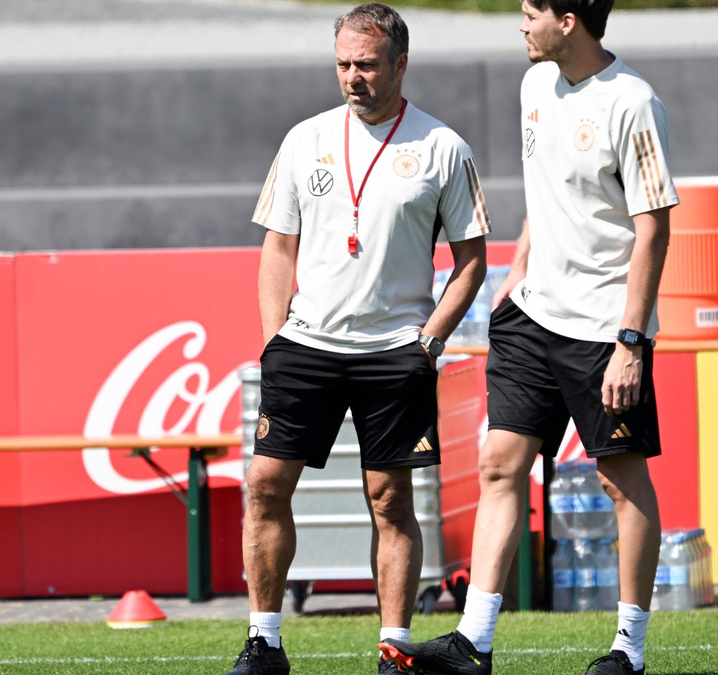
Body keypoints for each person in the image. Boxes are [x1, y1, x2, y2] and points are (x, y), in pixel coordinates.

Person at [380, 0, 675, 673]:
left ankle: (628, 647)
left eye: (531, 11)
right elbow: (547, 195)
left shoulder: (633, 102)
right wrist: (518, 270)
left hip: (605, 328)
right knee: (498, 463)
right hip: (531, 314)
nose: (520, 24)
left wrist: (630, 340)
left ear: (568, 20)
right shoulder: (533, 83)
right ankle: (472, 640)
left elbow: (654, 227)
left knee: (619, 481)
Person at [227, 4, 491, 674]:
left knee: (390, 498)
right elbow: (276, 248)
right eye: (344, 63)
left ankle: (395, 647)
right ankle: (264, 641)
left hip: (394, 352)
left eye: (367, 64)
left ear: (400, 64)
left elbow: (471, 261)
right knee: (263, 482)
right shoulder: (303, 139)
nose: (353, 76)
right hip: (306, 346)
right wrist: (274, 338)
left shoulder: (443, 147)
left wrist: (427, 342)